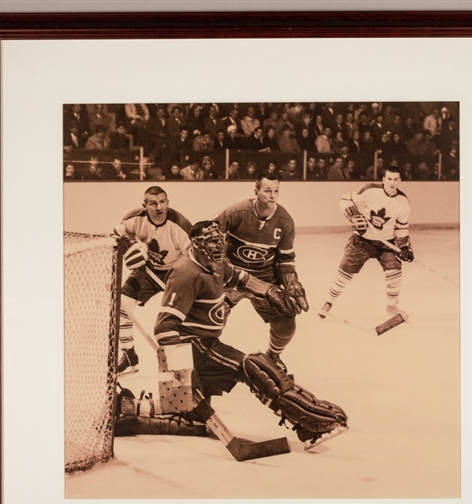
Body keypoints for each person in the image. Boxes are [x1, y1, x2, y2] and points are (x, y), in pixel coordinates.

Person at [153, 220, 347, 447]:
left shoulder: (216, 265)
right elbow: (163, 328)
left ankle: (303, 424)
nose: (218, 246)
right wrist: (179, 376)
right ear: (195, 245)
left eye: (220, 241)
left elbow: (241, 279)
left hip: (207, 341)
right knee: (255, 366)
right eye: (212, 241)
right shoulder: (186, 273)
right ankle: (309, 424)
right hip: (191, 346)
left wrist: (269, 290)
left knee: (248, 378)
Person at [213, 173, 309, 372]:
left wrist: (291, 283)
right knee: (210, 317)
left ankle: (273, 357)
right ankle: (207, 356)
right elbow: (210, 234)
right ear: (256, 191)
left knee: (286, 320)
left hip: (264, 280)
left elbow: (285, 258)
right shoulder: (237, 211)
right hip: (232, 276)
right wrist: (220, 266)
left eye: (276, 191)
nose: (272, 195)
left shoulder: (285, 221)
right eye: (267, 191)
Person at [111, 186, 192, 373]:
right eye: (153, 203)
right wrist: (129, 243)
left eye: (163, 202)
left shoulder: (179, 225)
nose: (159, 208)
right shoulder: (136, 219)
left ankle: (183, 366)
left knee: (179, 319)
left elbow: (193, 259)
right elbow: (118, 231)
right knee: (122, 305)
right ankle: (129, 354)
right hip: (148, 272)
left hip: (176, 273)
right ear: (144, 205)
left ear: (168, 203)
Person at [318, 165, 414, 321]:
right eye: (389, 178)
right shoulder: (370, 189)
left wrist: (404, 247)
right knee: (344, 273)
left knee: (395, 273)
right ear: (384, 179)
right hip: (362, 240)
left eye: (396, 179)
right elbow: (346, 199)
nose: (392, 182)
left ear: (400, 181)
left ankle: (391, 306)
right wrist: (354, 216)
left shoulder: (403, 202)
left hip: (386, 244)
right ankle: (328, 302)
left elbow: (402, 228)